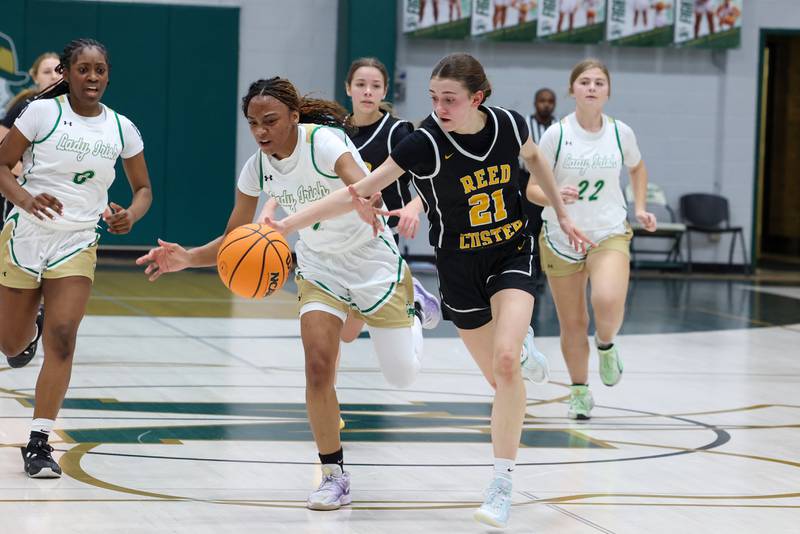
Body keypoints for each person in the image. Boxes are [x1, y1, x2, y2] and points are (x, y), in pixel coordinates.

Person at [261, 53, 590, 529]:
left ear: (477, 98)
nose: (439, 107)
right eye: (433, 98)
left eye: (450, 99)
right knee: (500, 381)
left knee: (504, 360)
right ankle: (518, 350)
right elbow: (361, 190)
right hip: (458, 266)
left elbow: (536, 160)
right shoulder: (424, 144)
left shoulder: (509, 125)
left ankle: (501, 482)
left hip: (512, 253)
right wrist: (286, 224)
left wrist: (560, 213)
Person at [136, 76, 440, 512]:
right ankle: (334, 474)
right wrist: (188, 258)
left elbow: (363, 185)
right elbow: (234, 238)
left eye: (271, 120)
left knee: (401, 376)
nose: (261, 131)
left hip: (371, 259)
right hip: (319, 268)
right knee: (318, 368)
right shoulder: (255, 168)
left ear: (294, 117)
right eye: (253, 123)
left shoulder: (325, 142)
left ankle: (411, 303)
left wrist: (359, 199)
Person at [0, 38, 152, 477]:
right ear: (67, 74)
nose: (92, 77)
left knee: (64, 337)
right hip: (26, 236)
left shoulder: (122, 128)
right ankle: (28, 332)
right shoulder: (42, 113)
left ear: (107, 75)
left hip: (78, 240)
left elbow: (143, 189)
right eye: (83, 69)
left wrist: (131, 215)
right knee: (10, 343)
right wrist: (26, 200)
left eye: (99, 70)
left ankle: (39, 442)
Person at [528, 58, 656, 421]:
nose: (592, 87)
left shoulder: (620, 133)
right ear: (572, 89)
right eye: (584, 81)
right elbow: (532, 188)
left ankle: (606, 344)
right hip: (560, 236)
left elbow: (637, 167)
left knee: (607, 299)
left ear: (608, 91)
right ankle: (580, 391)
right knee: (572, 322)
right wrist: (555, 195)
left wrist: (641, 205)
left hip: (608, 230)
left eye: (599, 82)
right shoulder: (556, 134)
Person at [339, 58, 436, 346]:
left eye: (375, 86)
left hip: (379, 236)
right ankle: (406, 291)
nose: (368, 91)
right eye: (361, 85)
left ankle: (410, 294)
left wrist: (413, 207)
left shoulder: (398, 132)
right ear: (348, 89)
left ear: (384, 92)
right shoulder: (335, 131)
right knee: (345, 335)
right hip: (340, 233)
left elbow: (431, 183)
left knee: (349, 332)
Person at [0, 52, 61, 218]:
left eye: (59, 70)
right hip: (22, 194)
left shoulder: (75, 111)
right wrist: (35, 179)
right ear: (35, 77)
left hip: (62, 196)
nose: (54, 76)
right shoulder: (24, 108)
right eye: (47, 72)